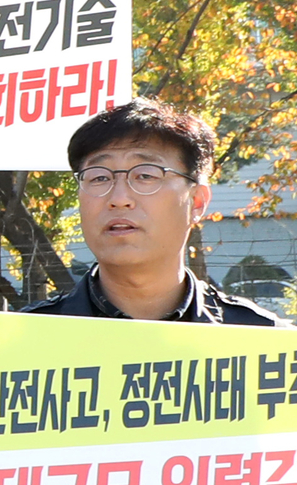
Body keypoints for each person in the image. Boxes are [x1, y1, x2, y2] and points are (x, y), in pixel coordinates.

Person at [29, 98, 279, 326]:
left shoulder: (261, 341)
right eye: (99, 177)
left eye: (145, 175)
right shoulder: (25, 340)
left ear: (198, 202)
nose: (118, 199)